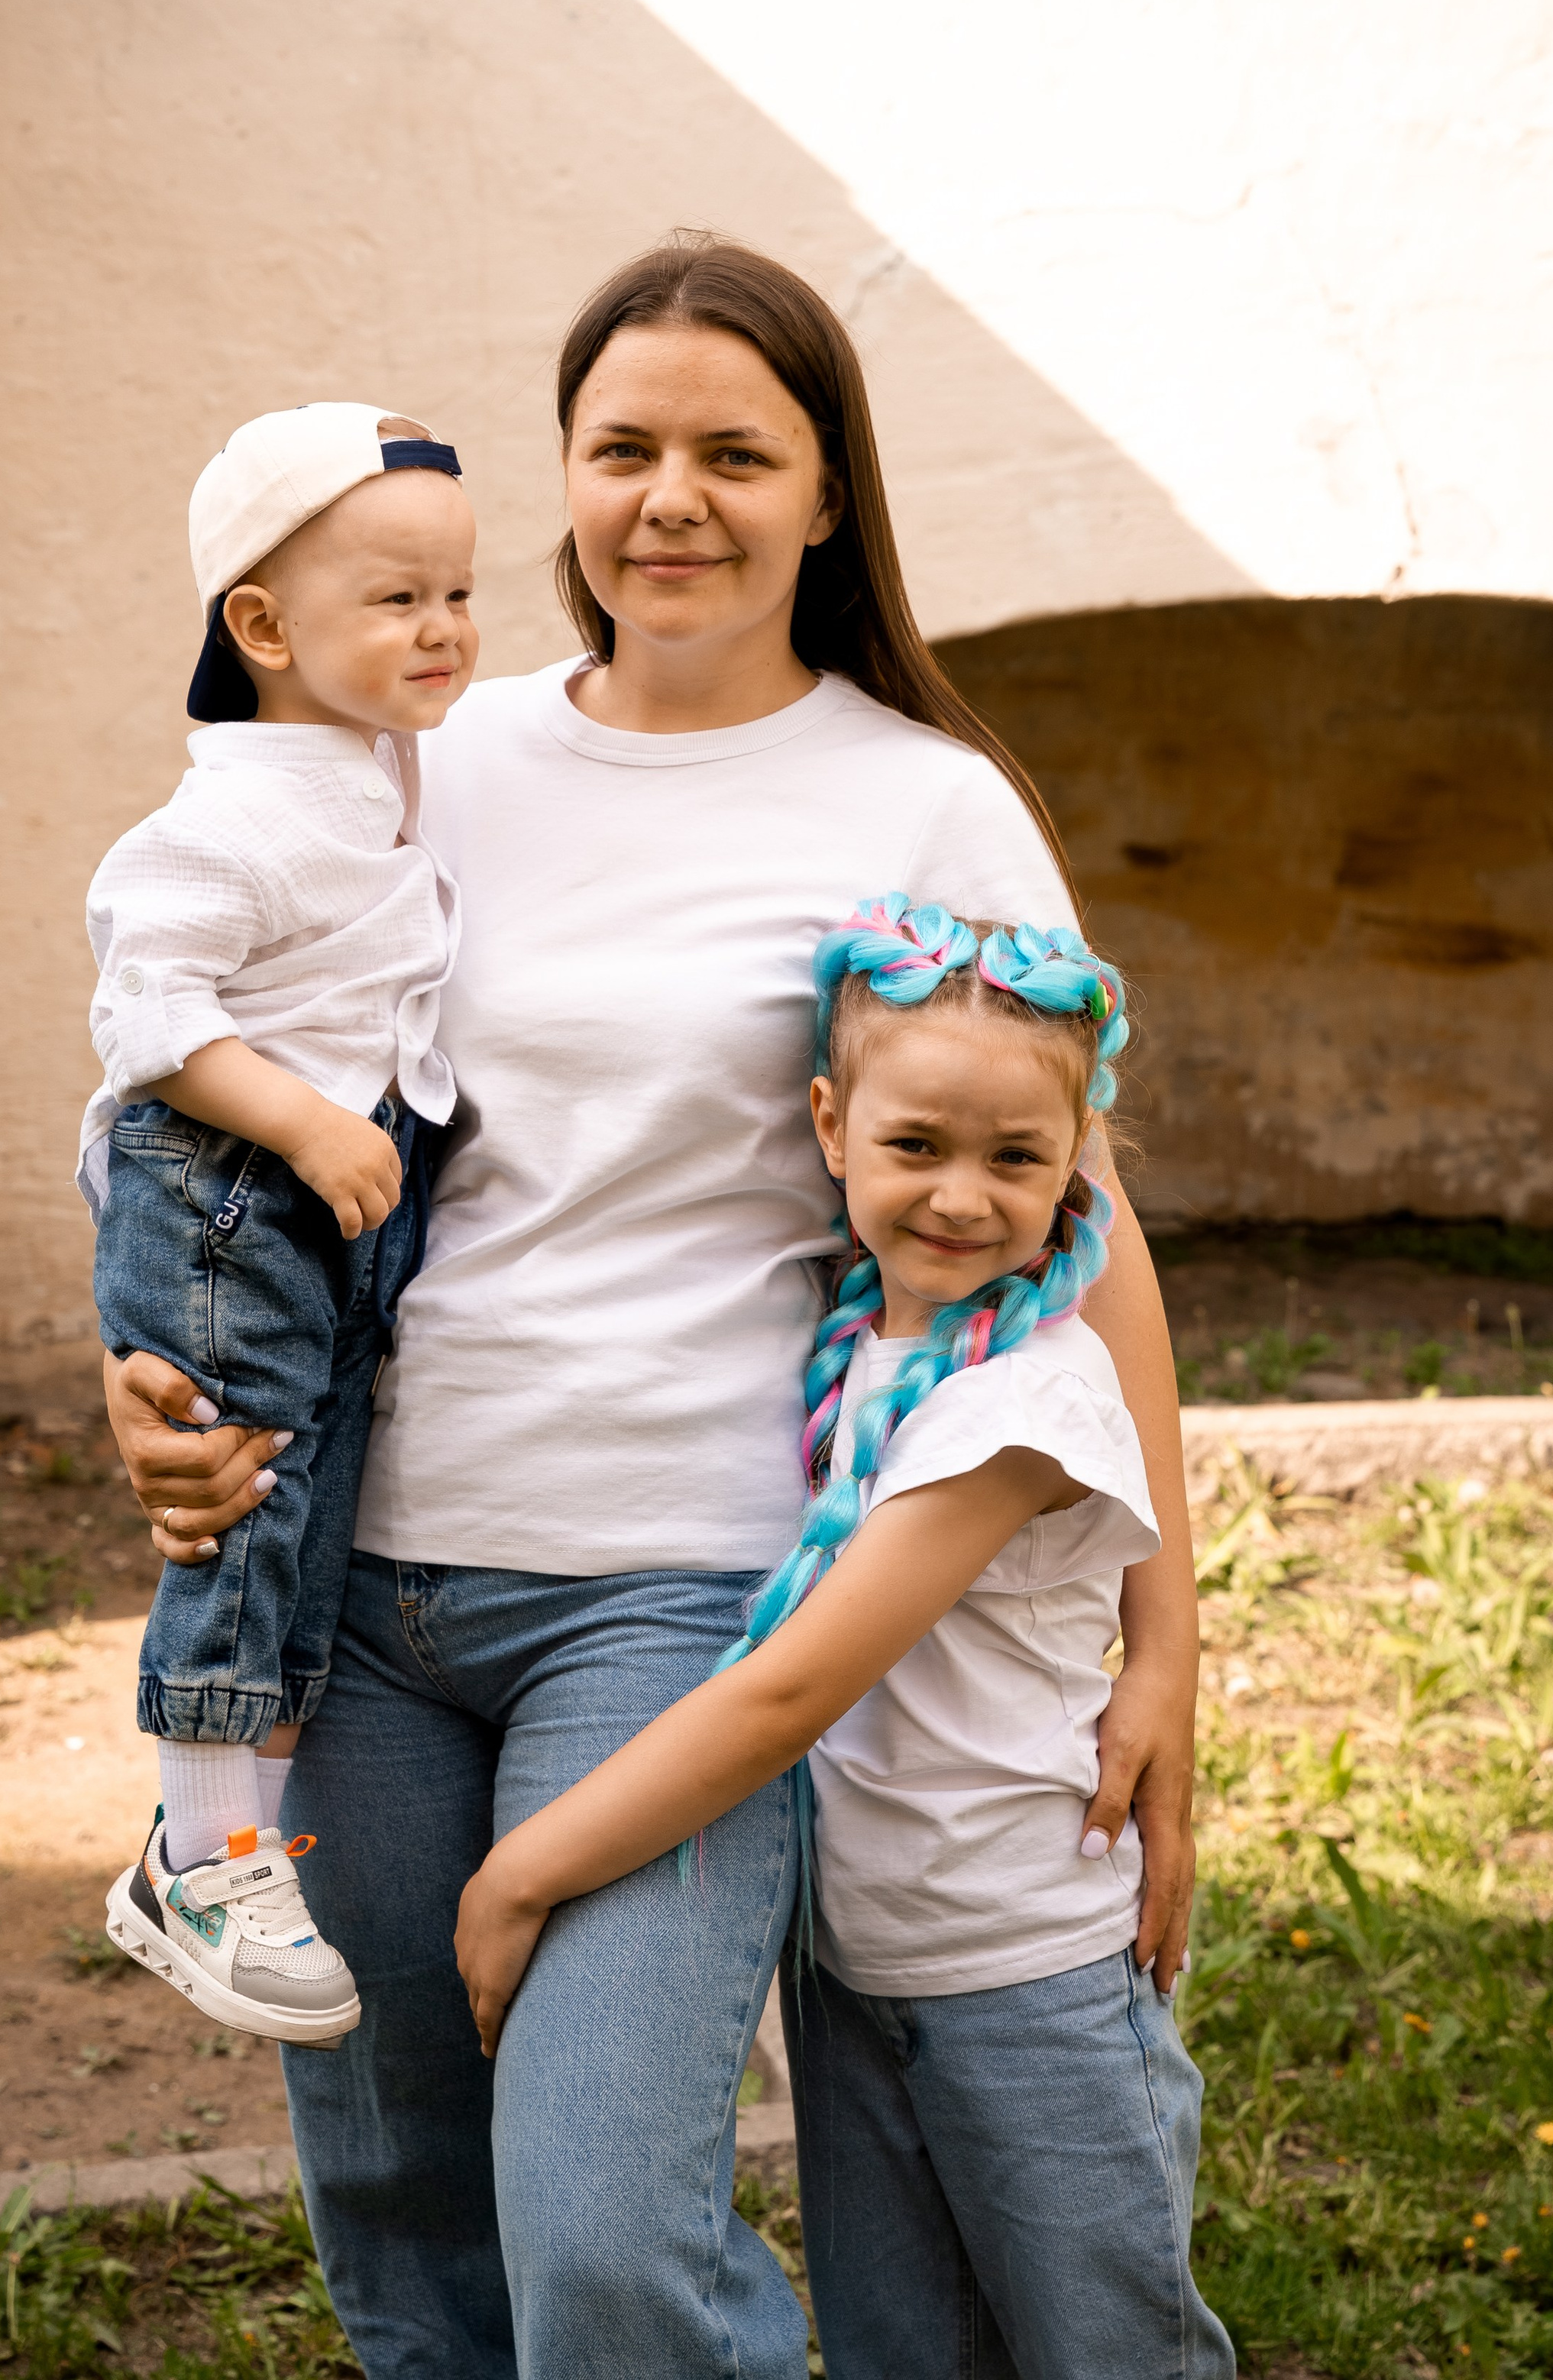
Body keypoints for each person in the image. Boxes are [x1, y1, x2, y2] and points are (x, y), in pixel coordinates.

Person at [100, 238, 1201, 2380]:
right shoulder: (425, 753)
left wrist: (1167, 1646)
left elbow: (1096, 1217)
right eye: (623, 449)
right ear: (566, 480)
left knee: (607, 2258)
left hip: (691, 1598)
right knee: (419, 2256)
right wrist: (149, 1395)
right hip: (363, 1588)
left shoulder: (921, 798)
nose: (671, 499)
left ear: (824, 497)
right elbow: (197, 1093)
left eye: (733, 452)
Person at [455, 895, 1234, 2379]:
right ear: (828, 1125)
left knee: (1101, 2352)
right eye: (914, 1148)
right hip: (860, 1975)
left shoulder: (1028, 1408)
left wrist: (523, 1872)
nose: (959, 1196)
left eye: (1016, 1157)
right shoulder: (858, 1339)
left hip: (1027, 1975)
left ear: (1081, 1159)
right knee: (901, 2350)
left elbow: (788, 1691)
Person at [83, 403, 477, 2041]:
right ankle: (199, 1851)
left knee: (293, 1517)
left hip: (317, 1191)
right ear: (260, 628)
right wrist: (312, 1122)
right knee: (244, 1514)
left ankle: (239, 1831)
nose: (443, 629)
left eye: (458, 594)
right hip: (238, 1182)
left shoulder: (384, 767)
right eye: (396, 600)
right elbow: (149, 1017)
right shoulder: (228, 818)